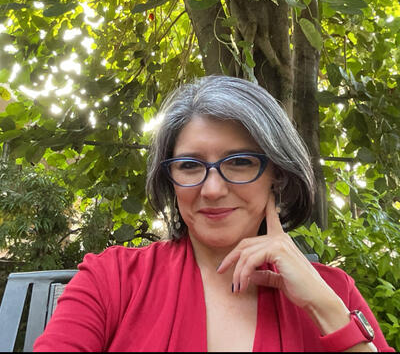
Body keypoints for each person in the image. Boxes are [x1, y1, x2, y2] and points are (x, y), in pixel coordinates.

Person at [34, 75, 394, 352]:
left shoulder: (334, 292)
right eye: (190, 165)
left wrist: (327, 311)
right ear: (170, 179)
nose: (212, 189)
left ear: (277, 174)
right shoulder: (111, 280)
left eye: (240, 162)